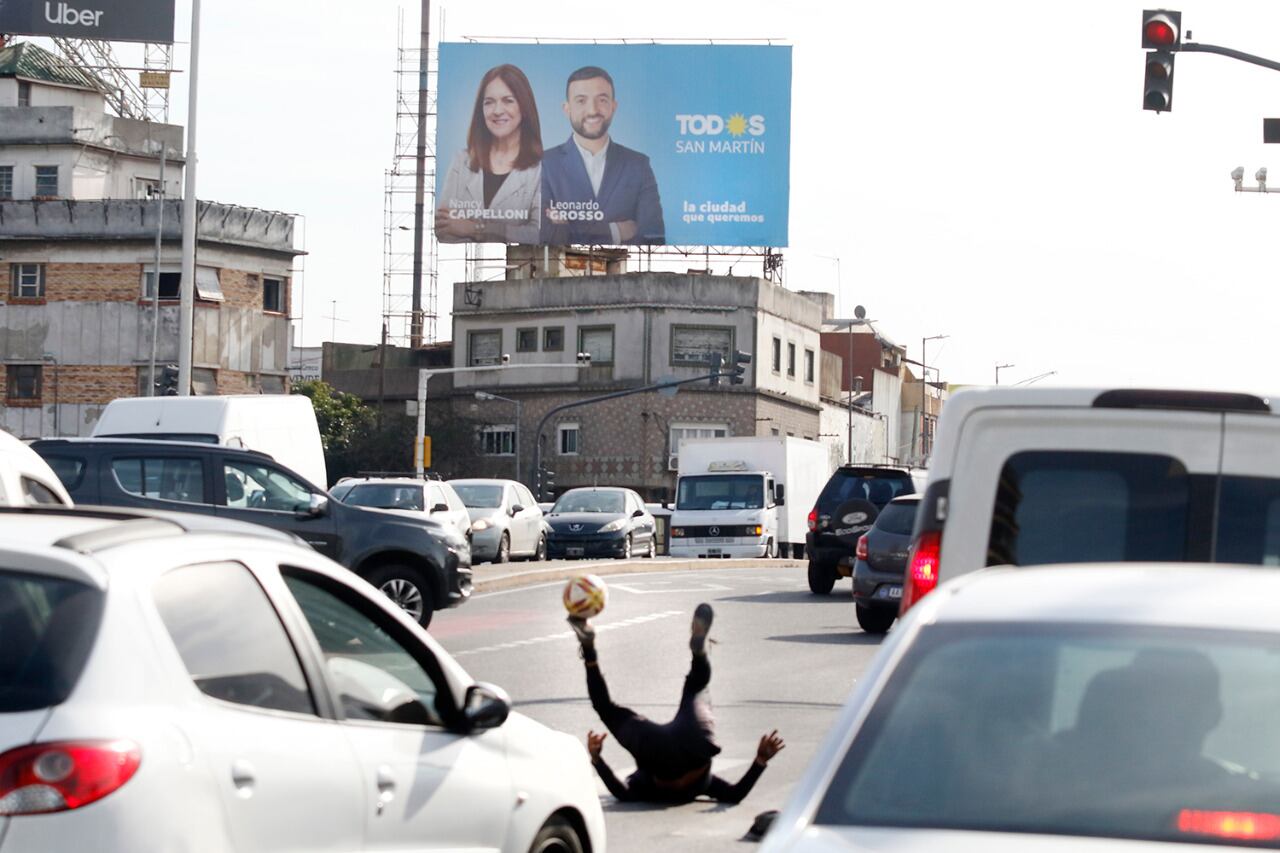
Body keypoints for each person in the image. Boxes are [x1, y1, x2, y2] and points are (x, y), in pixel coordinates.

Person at [570, 603, 784, 804]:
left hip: (693, 745)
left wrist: (760, 760)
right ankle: (589, 649)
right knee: (606, 707)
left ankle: (698, 655)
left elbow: (735, 794)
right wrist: (597, 760)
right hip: (664, 748)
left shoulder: (697, 785)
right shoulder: (646, 782)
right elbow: (621, 793)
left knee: (696, 686)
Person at [540, 65, 665, 246]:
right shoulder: (544, 164)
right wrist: (615, 231)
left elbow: (653, 237)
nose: (592, 110)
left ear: (613, 106)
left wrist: (568, 228)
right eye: (581, 101)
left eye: (602, 100)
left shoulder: (638, 165)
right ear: (566, 108)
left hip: (623, 269)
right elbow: (544, 234)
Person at [436, 63, 543, 244]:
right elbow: (443, 229)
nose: (497, 111)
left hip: (520, 262)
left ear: (524, 107)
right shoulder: (461, 162)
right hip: (463, 264)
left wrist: (473, 229)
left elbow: (539, 234)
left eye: (508, 100)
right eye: (489, 102)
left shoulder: (543, 169)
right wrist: (507, 232)